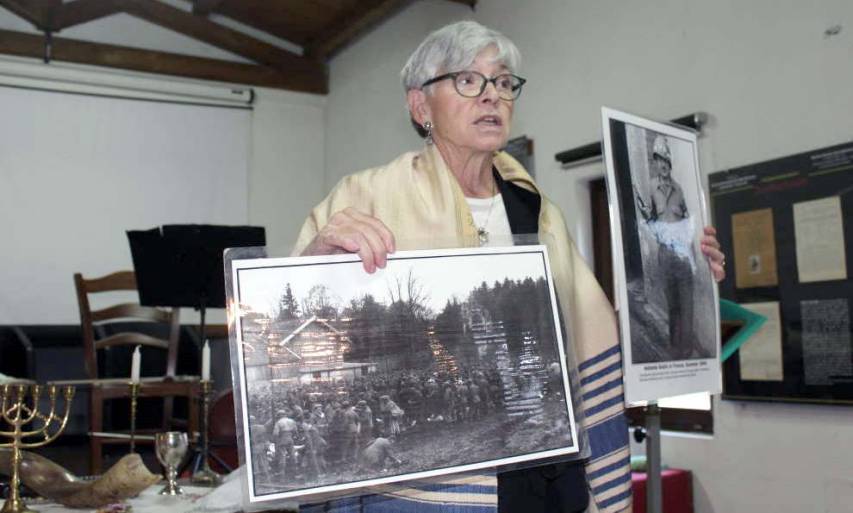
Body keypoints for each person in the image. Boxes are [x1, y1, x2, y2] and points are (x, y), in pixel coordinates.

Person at [293, 20, 726, 513]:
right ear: (420, 105)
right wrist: (320, 253)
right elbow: (291, 322)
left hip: (546, 482)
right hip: (424, 499)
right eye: (468, 81)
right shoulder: (363, 197)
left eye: (502, 82)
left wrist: (683, 270)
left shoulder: (536, 210)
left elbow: (589, 337)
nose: (491, 96)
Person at [635, 135, 708, 359]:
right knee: (673, 306)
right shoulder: (651, 188)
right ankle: (675, 350)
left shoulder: (679, 190)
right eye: (659, 160)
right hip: (665, 256)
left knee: (687, 307)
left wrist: (694, 259)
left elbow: (688, 225)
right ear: (655, 163)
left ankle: (685, 352)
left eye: (666, 161)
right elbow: (649, 219)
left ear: (670, 164)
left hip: (683, 256)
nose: (663, 165)